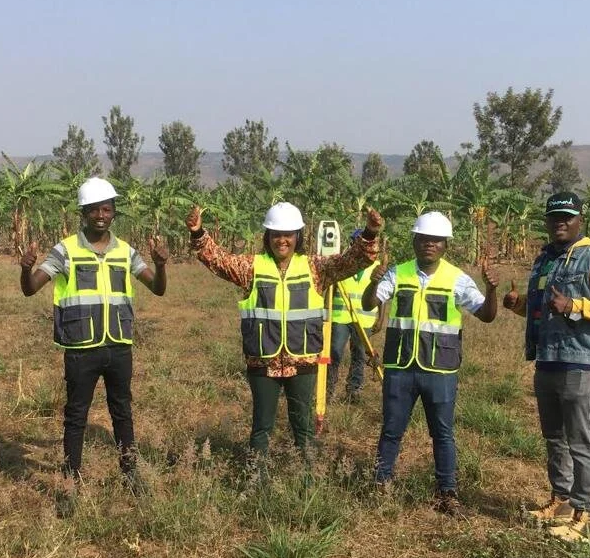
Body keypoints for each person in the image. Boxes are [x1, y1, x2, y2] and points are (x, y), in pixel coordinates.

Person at [186, 201, 381, 473]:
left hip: (302, 363)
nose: (282, 240)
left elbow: (353, 260)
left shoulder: (316, 267)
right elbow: (218, 260)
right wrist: (198, 233)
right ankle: (257, 479)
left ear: (297, 236)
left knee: (303, 426)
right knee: (261, 426)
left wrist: (370, 233)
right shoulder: (252, 267)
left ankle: (307, 480)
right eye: (276, 234)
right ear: (267, 236)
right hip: (263, 362)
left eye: (288, 234)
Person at [19, 177, 167, 497]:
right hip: (81, 347)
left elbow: (157, 288)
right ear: (83, 213)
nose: (101, 214)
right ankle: (72, 479)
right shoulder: (65, 250)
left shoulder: (126, 252)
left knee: (122, 413)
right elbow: (31, 289)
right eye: (94, 209)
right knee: (76, 415)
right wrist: (25, 268)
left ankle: (130, 473)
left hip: (118, 345)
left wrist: (160, 264)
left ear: (114, 213)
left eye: (107, 208)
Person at [503, 191, 590, 542]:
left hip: (582, 360)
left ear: (579, 221)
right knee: (554, 438)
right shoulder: (544, 260)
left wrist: (576, 304)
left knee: (581, 442)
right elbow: (545, 309)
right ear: (546, 222)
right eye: (554, 217)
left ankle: (583, 511)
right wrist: (518, 306)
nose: (560, 222)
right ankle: (560, 500)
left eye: (567, 217)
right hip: (547, 360)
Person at [362, 211, 498, 515]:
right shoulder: (398, 274)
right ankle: (380, 485)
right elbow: (368, 304)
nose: (429, 244)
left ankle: (447, 493)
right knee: (391, 429)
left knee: (443, 433)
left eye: (436, 240)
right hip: (400, 366)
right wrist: (373, 283)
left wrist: (491, 291)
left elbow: (487, 316)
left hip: (440, 370)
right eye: (424, 239)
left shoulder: (458, 279)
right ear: (414, 241)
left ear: (445, 245)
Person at [327, 229, 383, 400]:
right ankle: (328, 389)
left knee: (359, 353)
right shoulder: (341, 264)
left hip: (364, 317)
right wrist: (325, 314)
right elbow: (330, 289)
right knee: (335, 352)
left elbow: (382, 295)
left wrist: (380, 318)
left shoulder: (376, 266)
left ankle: (354, 390)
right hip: (340, 316)